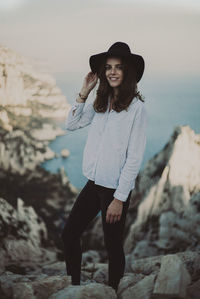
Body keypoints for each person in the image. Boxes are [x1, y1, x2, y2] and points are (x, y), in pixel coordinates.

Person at [61, 42, 147, 292]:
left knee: (112, 245)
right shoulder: (101, 101)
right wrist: (84, 91)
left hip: (114, 190)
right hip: (93, 183)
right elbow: (71, 124)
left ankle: (113, 291)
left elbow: (134, 158)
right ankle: (74, 287)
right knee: (69, 235)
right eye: (108, 67)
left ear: (127, 71)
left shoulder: (137, 109)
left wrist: (119, 199)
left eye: (118, 67)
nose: (112, 72)